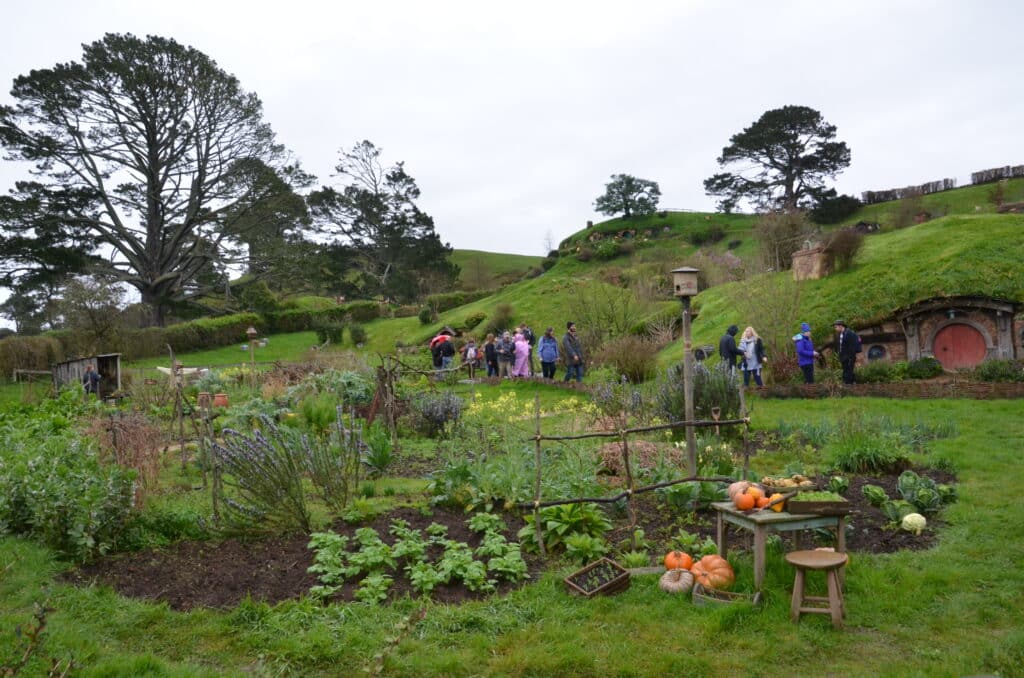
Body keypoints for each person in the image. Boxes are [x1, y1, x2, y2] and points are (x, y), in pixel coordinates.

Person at [833, 320, 859, 385]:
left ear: (841, 326)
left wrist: (851, 356)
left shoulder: (850, 333)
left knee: (849, 370)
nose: (835, 329)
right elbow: (840, 345)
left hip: (849, 356)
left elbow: (854, 344)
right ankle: (848, 383)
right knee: (845, 370)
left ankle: (849, 384)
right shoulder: (840, 334)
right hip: (843, 356)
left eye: (836, 327)